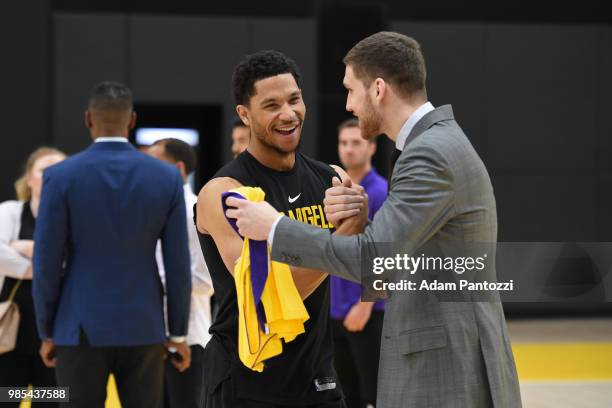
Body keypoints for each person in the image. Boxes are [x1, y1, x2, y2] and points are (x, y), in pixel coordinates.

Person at [225, 32, 522, 408]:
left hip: (444, 366)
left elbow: (374, 263)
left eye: (351, 90)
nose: (349, 104)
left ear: (378, 89)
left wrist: (274, 228)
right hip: (453, 351)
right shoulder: (439, 143)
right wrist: (361, 221)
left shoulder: (428, 154)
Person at [196, 50, 358, 408]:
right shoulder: (223, 193)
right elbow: (268, 298)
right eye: (271, 105)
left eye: (294, 100)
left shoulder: (330, 178)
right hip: (246, 382)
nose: (288, 114)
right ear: (244, 114)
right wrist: (341, 238)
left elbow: (371, 267)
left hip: (319, 379)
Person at [33, 81, 192, 408]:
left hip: (77, 329)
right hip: (144, 328)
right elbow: (178, 266)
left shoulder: (60, 177)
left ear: (88, 118)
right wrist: (177, 333)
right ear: (131, 120)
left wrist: (47, 330)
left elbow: (46, 262)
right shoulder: (166, 178)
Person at [147, 138, 214, 408]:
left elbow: (205, 281)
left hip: (189, 335)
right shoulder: (150, 210)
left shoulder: (196, 210)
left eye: (153, 165)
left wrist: (148, 283)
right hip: (151, 333)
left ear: (178, 169)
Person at [0, 147, 65, 407]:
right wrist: (47, 268)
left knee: (50, 401)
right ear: (28, 178)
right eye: (44, 170)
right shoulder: (10, 211)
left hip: (55, 333)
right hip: (10, 332)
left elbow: (78, 262)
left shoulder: (74, 216)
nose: (52, 176)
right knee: (7, 398)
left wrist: (23, 246)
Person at [331, 118, 387, 408]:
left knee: (375, 395)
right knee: (345, 396)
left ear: (372, 147)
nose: (349, 150)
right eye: (344, 143)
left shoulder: (380, 192)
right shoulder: (335, 192)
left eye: (356, 143)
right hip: (335, 309)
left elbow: (385, 254)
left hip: (367, 311)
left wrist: (366, 305)